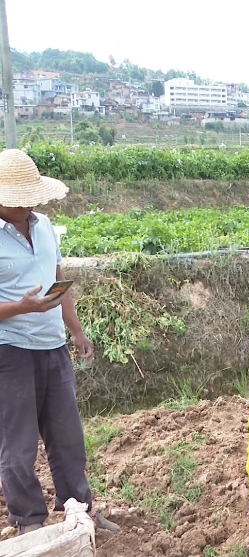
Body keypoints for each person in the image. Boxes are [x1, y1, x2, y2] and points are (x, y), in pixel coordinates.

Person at [0, 148, 120, 535]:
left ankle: (80, 510)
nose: (25, 204)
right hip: (10, 350)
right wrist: (21, 306)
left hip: (52, 346)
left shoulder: (45, 225)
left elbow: (58, 280)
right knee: (17, 445)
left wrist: (76, 330)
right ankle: (29, 522)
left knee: (68, 437)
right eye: (17, 197)